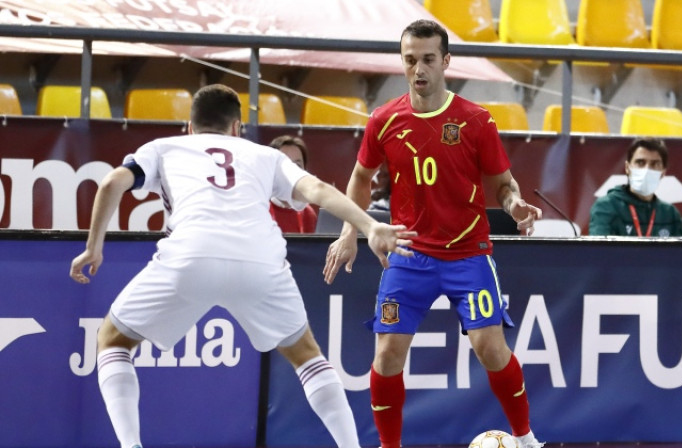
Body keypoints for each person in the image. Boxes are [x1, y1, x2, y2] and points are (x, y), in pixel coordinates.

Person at [69, 84, 415, 448]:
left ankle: (130, 445)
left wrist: (94, 248)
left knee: (112, 340)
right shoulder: (264, 155)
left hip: (191, 257)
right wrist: (369, 225)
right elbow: (318, 191)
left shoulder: (163, 147)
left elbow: (110, 183)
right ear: (237, 127)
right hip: (261, 260)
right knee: (307, 355)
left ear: (190, 126)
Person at [322, 20, 544, 448]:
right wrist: (350, 230)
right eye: (410, 60)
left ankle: (528, 439)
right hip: (409, 255)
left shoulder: (476, 121)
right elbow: (360, 179)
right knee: (386, 355)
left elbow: (504, 184)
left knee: (490, 348)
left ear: (445, 61)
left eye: (427, 60)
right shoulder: (384, 120)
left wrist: (514, 205)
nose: (418, 69)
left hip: (468, 253)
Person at [588, 138, 682, 237]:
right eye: (640, 162)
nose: (647, 169)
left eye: (655, 164)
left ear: (663, 173)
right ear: (627, 168)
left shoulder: (670, 213)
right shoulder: (606, 207)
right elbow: (600, 252)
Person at [269, 134, 319, 233]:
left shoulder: (308, 214)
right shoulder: (259, 208)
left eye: (297, 165)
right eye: (285, 164)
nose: (292, 171)